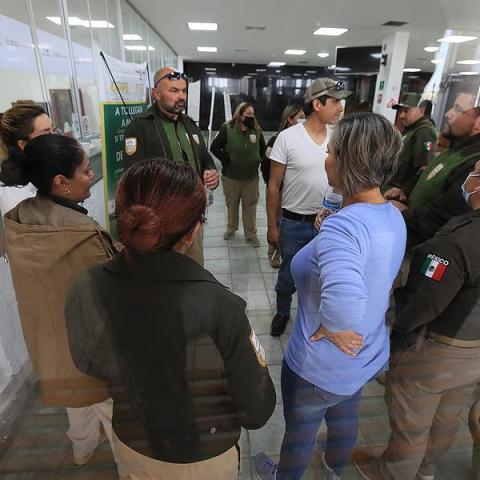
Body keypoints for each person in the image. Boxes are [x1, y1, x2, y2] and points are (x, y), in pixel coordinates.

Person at [65, 158, 276, 480]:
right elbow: (256, 409)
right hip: (202, 457)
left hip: (132, 444)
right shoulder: (220, 305)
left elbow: (87, 363)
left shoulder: (86, 285)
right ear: (193, 231)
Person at [255, 112, 406, 480]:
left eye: (332, 151)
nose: (327, 158)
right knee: (344, 419)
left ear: (348, 161)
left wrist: (335, 325)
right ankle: (334, 469)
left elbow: (343, 308)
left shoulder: (345, 229)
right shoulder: (390, 213)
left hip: (319, 366)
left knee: (299, 436)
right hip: (363, 356)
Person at [1, 134, 126, 477]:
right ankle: (127, 466)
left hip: (50, 340)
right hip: (90, 346)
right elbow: (113, 290)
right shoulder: (84, 234)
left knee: (75, 399)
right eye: (86, 171)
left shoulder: (17, 219)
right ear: (61, 182)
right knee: (114, 410)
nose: (91, 176)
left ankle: (83, 451)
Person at [354, 160, 480, 480]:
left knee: (411, 424)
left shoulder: (457, 240)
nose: (467, 179)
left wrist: (398, 333)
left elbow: (424, 301)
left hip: (438, 349)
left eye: (474, 172)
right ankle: (426, 470)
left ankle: (394, 473)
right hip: (474, 352)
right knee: (447, 416)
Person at [267, 78, 353, 337]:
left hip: (328, 223)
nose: (340, 107)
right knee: (288, 275)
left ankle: (311, 317)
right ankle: (282, 312)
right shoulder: (287, 138)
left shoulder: (337, 138)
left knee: (320, 276)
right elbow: (273, 186)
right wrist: (273, 226)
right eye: (336, 101)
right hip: (293, 223)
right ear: (317, 103)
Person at [123, 66, 219, 265]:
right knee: (164, 277)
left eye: (183, 91)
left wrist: (211, 172)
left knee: (193, 270)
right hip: (160, 224)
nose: (181, 96)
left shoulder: (190, 124)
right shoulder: (140, 127)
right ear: (156, 94)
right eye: (174, 91)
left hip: (192, 218)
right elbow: (134, 176)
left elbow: (204, 158)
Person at [391, 104, 480, 251]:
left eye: (459, 110)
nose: (448, 113)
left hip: (420, 250)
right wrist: (404, 191)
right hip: (405, 235)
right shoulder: (455, 150)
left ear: (478, 124)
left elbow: (445, 221)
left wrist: (405, 213)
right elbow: (427, 172)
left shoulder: (473, 165)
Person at [210, 102, 266, 246]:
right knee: (232, 204)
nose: (251, 117)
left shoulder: (256, 130)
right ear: (240, 115)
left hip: (251, 178)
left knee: (250, 206)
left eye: (252, 114)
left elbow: (263, 150)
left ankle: (251, 234)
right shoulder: (227, 129)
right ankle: (231, 228)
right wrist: (226, 159)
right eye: (248, 114)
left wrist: (258, 160)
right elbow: (214, 147)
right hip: (231, 177)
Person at [261, 104, 305, 267]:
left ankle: (286, 251)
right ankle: (273, 252)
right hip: (278, 191)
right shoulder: (276, 140)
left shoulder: (303, 141)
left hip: (295, 193)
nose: (304, 120)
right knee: (275, 222)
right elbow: (265, 165)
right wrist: (275, 186)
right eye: (300, 117)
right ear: (290, 119)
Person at [0, 104, 54, 216]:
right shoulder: (13, 192)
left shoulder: (44, 166)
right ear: (23, 144)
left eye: (53, 130)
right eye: (46, 133)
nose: (55, 137)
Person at [383, 93, 437, 198]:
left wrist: (404, 190)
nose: (401, 115)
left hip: (398, 193)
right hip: (389, 187)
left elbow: (425, 167)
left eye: (406, 111)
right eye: (400, 111)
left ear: (421, 110)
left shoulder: (424, 132)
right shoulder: (411, 130)